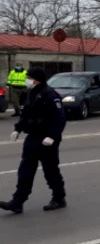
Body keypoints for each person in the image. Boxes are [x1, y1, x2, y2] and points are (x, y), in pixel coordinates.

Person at [0, 67, 67, 214]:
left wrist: (52, 136)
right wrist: (17, 129)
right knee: (25, 171)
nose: (27, 80)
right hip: (32, 139)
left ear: (36, 79)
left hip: (47, 140)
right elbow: (25, 115)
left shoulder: (50, 95)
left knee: (51, 171)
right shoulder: (31, 93)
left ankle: (59, 198)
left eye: (29, 77)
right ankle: (17, 202)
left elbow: (59, 118)